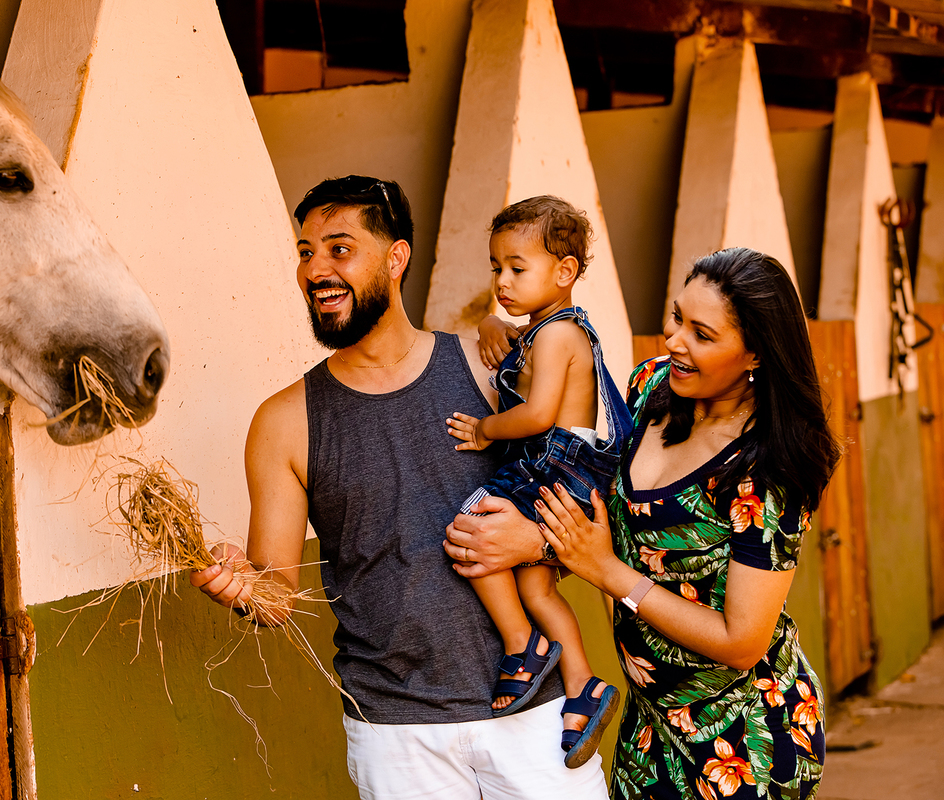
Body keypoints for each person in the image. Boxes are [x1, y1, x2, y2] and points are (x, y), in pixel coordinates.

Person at [191, 175, 609, 800]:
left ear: (395, 258)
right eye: (305, 253)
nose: (316, 270)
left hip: (535, 713)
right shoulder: (282, 423)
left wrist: (535, 542)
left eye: (339, 249)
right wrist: (242, 588)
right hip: (395, 734)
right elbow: (277, 595)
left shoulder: (489, 370)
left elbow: (585, 491)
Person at [447, 247, 838, 799]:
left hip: (743, 738)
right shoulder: (651, 387)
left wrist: (606, 571)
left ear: (755, 353)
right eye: (677, 317)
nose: (674, 340)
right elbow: (597, 506)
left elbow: (741, 642)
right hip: (648, 724)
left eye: (702, 335)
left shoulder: (764, 469)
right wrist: (538, 541)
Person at [444, 196, 624, 768]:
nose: (502, 280)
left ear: (565, 271)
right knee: (538, 590)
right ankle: (584, 684)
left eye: (517, 268)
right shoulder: (549, 330)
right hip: (567, 477)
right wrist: (492, 323)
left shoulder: (555, 336)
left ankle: (522, 645)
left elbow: (540, 413)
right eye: (496, 267)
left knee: (470, 528)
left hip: (551, 470)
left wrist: (485, 430)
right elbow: (511, 341)